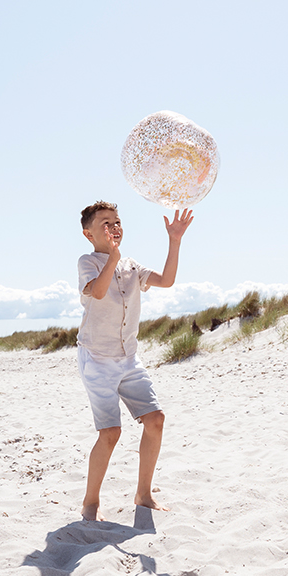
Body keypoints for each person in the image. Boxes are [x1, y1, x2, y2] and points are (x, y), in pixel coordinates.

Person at [75, 200, 193, 522]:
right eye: (105, 223)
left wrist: (175, 240)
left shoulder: (131, 266)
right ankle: (91, 502)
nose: (113, 227)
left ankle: (143, 494)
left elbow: (166, 280)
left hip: (128, 358)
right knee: (111, 433)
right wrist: (111, 258)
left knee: (155, 420)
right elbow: (97, 293)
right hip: (96, 359)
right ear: (89, 234)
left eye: (117, 221)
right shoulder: (88, 262)